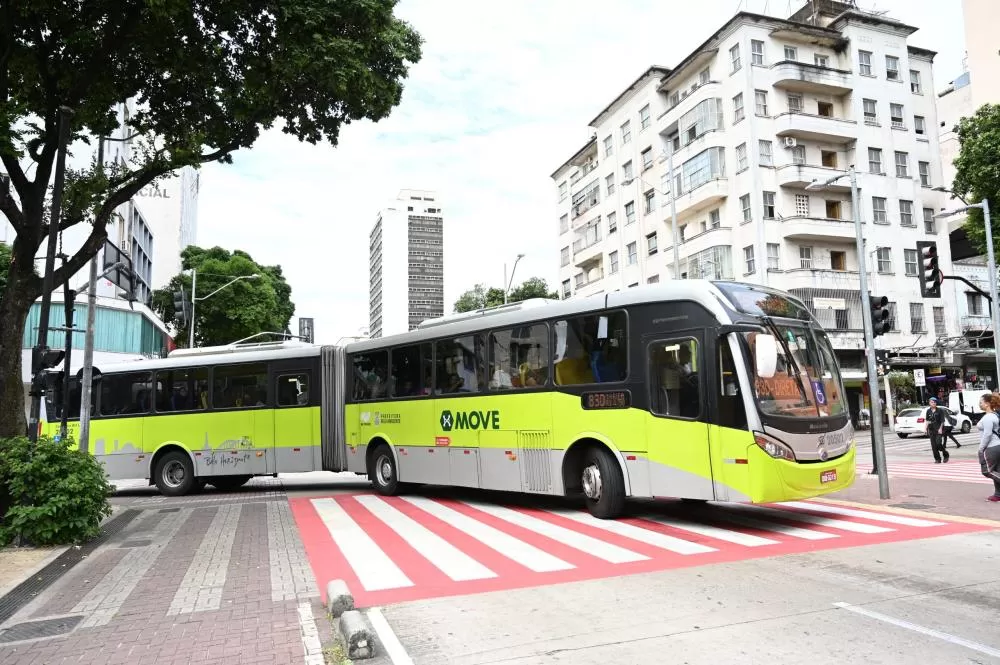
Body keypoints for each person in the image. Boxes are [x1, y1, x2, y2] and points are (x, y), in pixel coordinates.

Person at [976, 393, 1000, 502]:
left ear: (987, 404)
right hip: (997, 445)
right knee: (996, 471)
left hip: (991, 447)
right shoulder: (995, 415)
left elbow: (987, 434)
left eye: (981, 402)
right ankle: (998, 494)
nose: (979, 404)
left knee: (987, 471)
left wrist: (981, 449)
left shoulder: (988, 418)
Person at [925, 397, 948, 463]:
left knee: (938, 443)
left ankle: (945, 454)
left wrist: (940, 429)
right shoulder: (928, 411)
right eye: (932, 402)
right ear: (929, 403)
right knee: (934, 446)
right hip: (931, 430)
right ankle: (937, 459)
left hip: (938, 430)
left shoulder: (940, 410)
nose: (934, 403)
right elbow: (927, 420)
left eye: (935, 402)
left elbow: (942, 421)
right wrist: (925, 428)